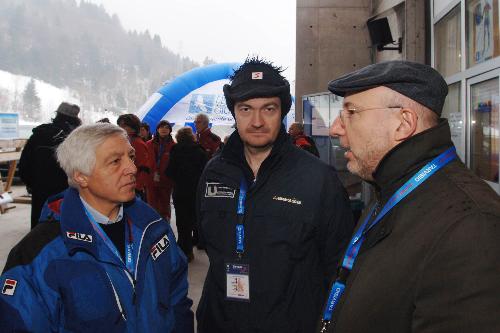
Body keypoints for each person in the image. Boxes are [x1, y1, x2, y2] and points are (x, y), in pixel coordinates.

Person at [318, 60, 500, 333]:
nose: (335, 128)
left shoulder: (472, 226)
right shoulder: (390, 189)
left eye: (351, 112)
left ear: (403, 123)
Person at [196, 57, 354, 333]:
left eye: (268, 108)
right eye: (246, 109)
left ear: (282, 112)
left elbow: (339, 267)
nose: (257, 121)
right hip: (220, 322)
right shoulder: (214, 173)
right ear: (234, 112)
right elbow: (210, 244)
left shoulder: (318, 178)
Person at [0, 123, 194, 332]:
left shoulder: (153, 227)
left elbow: (177, 298)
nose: (132, 168)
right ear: (80, 176)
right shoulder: (37, 254)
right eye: (115, 161)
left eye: (131, 157)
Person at [18, 102, 81, 229]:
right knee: (64, 229)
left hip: (40, 190)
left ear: (57, 115)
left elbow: (24, 163)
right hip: (67, 191)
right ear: (75, 118)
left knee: (39, 228)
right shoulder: (75, 138)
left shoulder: (38, 135)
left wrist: (31, 184)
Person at [165, 127, 208, 262]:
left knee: (182, 220)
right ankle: (197, 242)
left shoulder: (175, 150)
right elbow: (206, 171)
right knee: (195, 217)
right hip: (196, 191)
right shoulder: (200, 151)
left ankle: (185, 249)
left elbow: (169, 171)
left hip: (180, 190)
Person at [117, 114, 152, 201]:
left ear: (133, 127)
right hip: (125, 183)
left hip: (134, 186)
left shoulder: (137, 143)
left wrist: (137, 187)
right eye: (119, 125)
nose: (121, 128)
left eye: (124, 125)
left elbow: (144, 168)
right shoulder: (126, 140)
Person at [146, 120, 175, 220]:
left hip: (166, 180)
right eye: (161, 127)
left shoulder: (173, 146)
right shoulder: (148, 144)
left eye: (167, 127)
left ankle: (165, 226)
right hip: (151, 180)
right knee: (151, 205)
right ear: (157, 129)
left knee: (165, 206)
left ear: (170, 131)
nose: (164, 129)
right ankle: (153, 225)